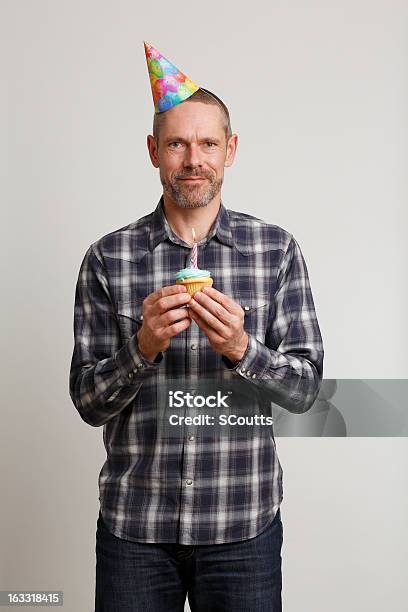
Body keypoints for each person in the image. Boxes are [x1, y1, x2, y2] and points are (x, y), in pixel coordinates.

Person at [69, 42, 324, 612]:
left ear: (230, 150)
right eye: (178, 143)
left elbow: (307, 390)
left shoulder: (275, 250)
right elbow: (87, 402)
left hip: (243, 526)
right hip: (136, 528)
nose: (194, 159)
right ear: (153, 151)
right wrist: (143, 347)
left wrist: (242, 349)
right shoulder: (109, 258)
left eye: (208, 143)